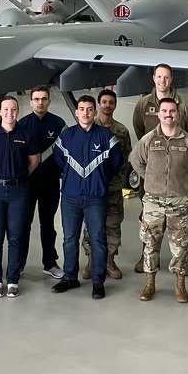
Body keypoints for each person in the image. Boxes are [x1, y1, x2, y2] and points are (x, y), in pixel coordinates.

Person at [129, 97, 188, 303]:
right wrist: (152, 180)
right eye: (164, 111)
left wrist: (182, 181)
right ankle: (149, 284)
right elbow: (135, 161)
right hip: (153, 202)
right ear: (159, 114)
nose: (168, 115)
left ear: (178, 114)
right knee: (150, 243)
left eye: (172, 111)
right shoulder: (148, 140)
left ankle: (180, 286)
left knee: (180, 245)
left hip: (178, 202)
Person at [50, 95, 123, 299]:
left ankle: (98, 281)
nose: (85, 113)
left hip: (96, 198)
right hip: (70, 197)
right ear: (76, 112)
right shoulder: (66, 136)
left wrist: (99, 180)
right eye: (81, 109)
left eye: (89, 109)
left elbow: (116, 163)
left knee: (98, 240)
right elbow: (59, 161)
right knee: (69, 239)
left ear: (94, 111)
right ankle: (70, 277)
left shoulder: (106, 137)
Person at [130, 63, 188, 274]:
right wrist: (150, 174)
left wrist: (183, 176)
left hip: (177, 174)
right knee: (149, 218)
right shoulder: (143, 105)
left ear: (171, 79)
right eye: (159, 77)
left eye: (166, 77)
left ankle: (180, 263)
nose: (162, 81)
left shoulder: (185, 106)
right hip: (152, 176)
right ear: (154, 78)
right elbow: (140, 133)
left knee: (180, 224)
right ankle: (147, 258)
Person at [0, 96, 40, 298]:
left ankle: (13, 279)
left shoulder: (25, 134)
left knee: (15, 237)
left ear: (17, 112)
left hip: (19, 191)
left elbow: (33, 160)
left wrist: (17, 177)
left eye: (13, 109)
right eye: (6, 109)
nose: (9, 113)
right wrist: (0, 178)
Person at [82, 89, 132, 280]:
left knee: (113, 224)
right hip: (92, 188)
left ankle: (109, 260)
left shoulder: (121, 131)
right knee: (91, 225)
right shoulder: (88, 127)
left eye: (111, 102)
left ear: (115, 105)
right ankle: (91, 260)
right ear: (98, 105)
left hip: (113, 187)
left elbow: (127, 157)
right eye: (104, 102)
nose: (107, 106)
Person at [18, 85, 67, 278]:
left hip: (50, 183)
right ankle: (19, 264)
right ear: (31, 102)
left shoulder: (58, 124)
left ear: (49, 101)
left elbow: (65, 155)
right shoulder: (21, 125)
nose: (40, 102)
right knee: (24, 224)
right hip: (27, 185)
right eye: (36, 99)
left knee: (48, 225)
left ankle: (50, 263)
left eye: (44, 98)